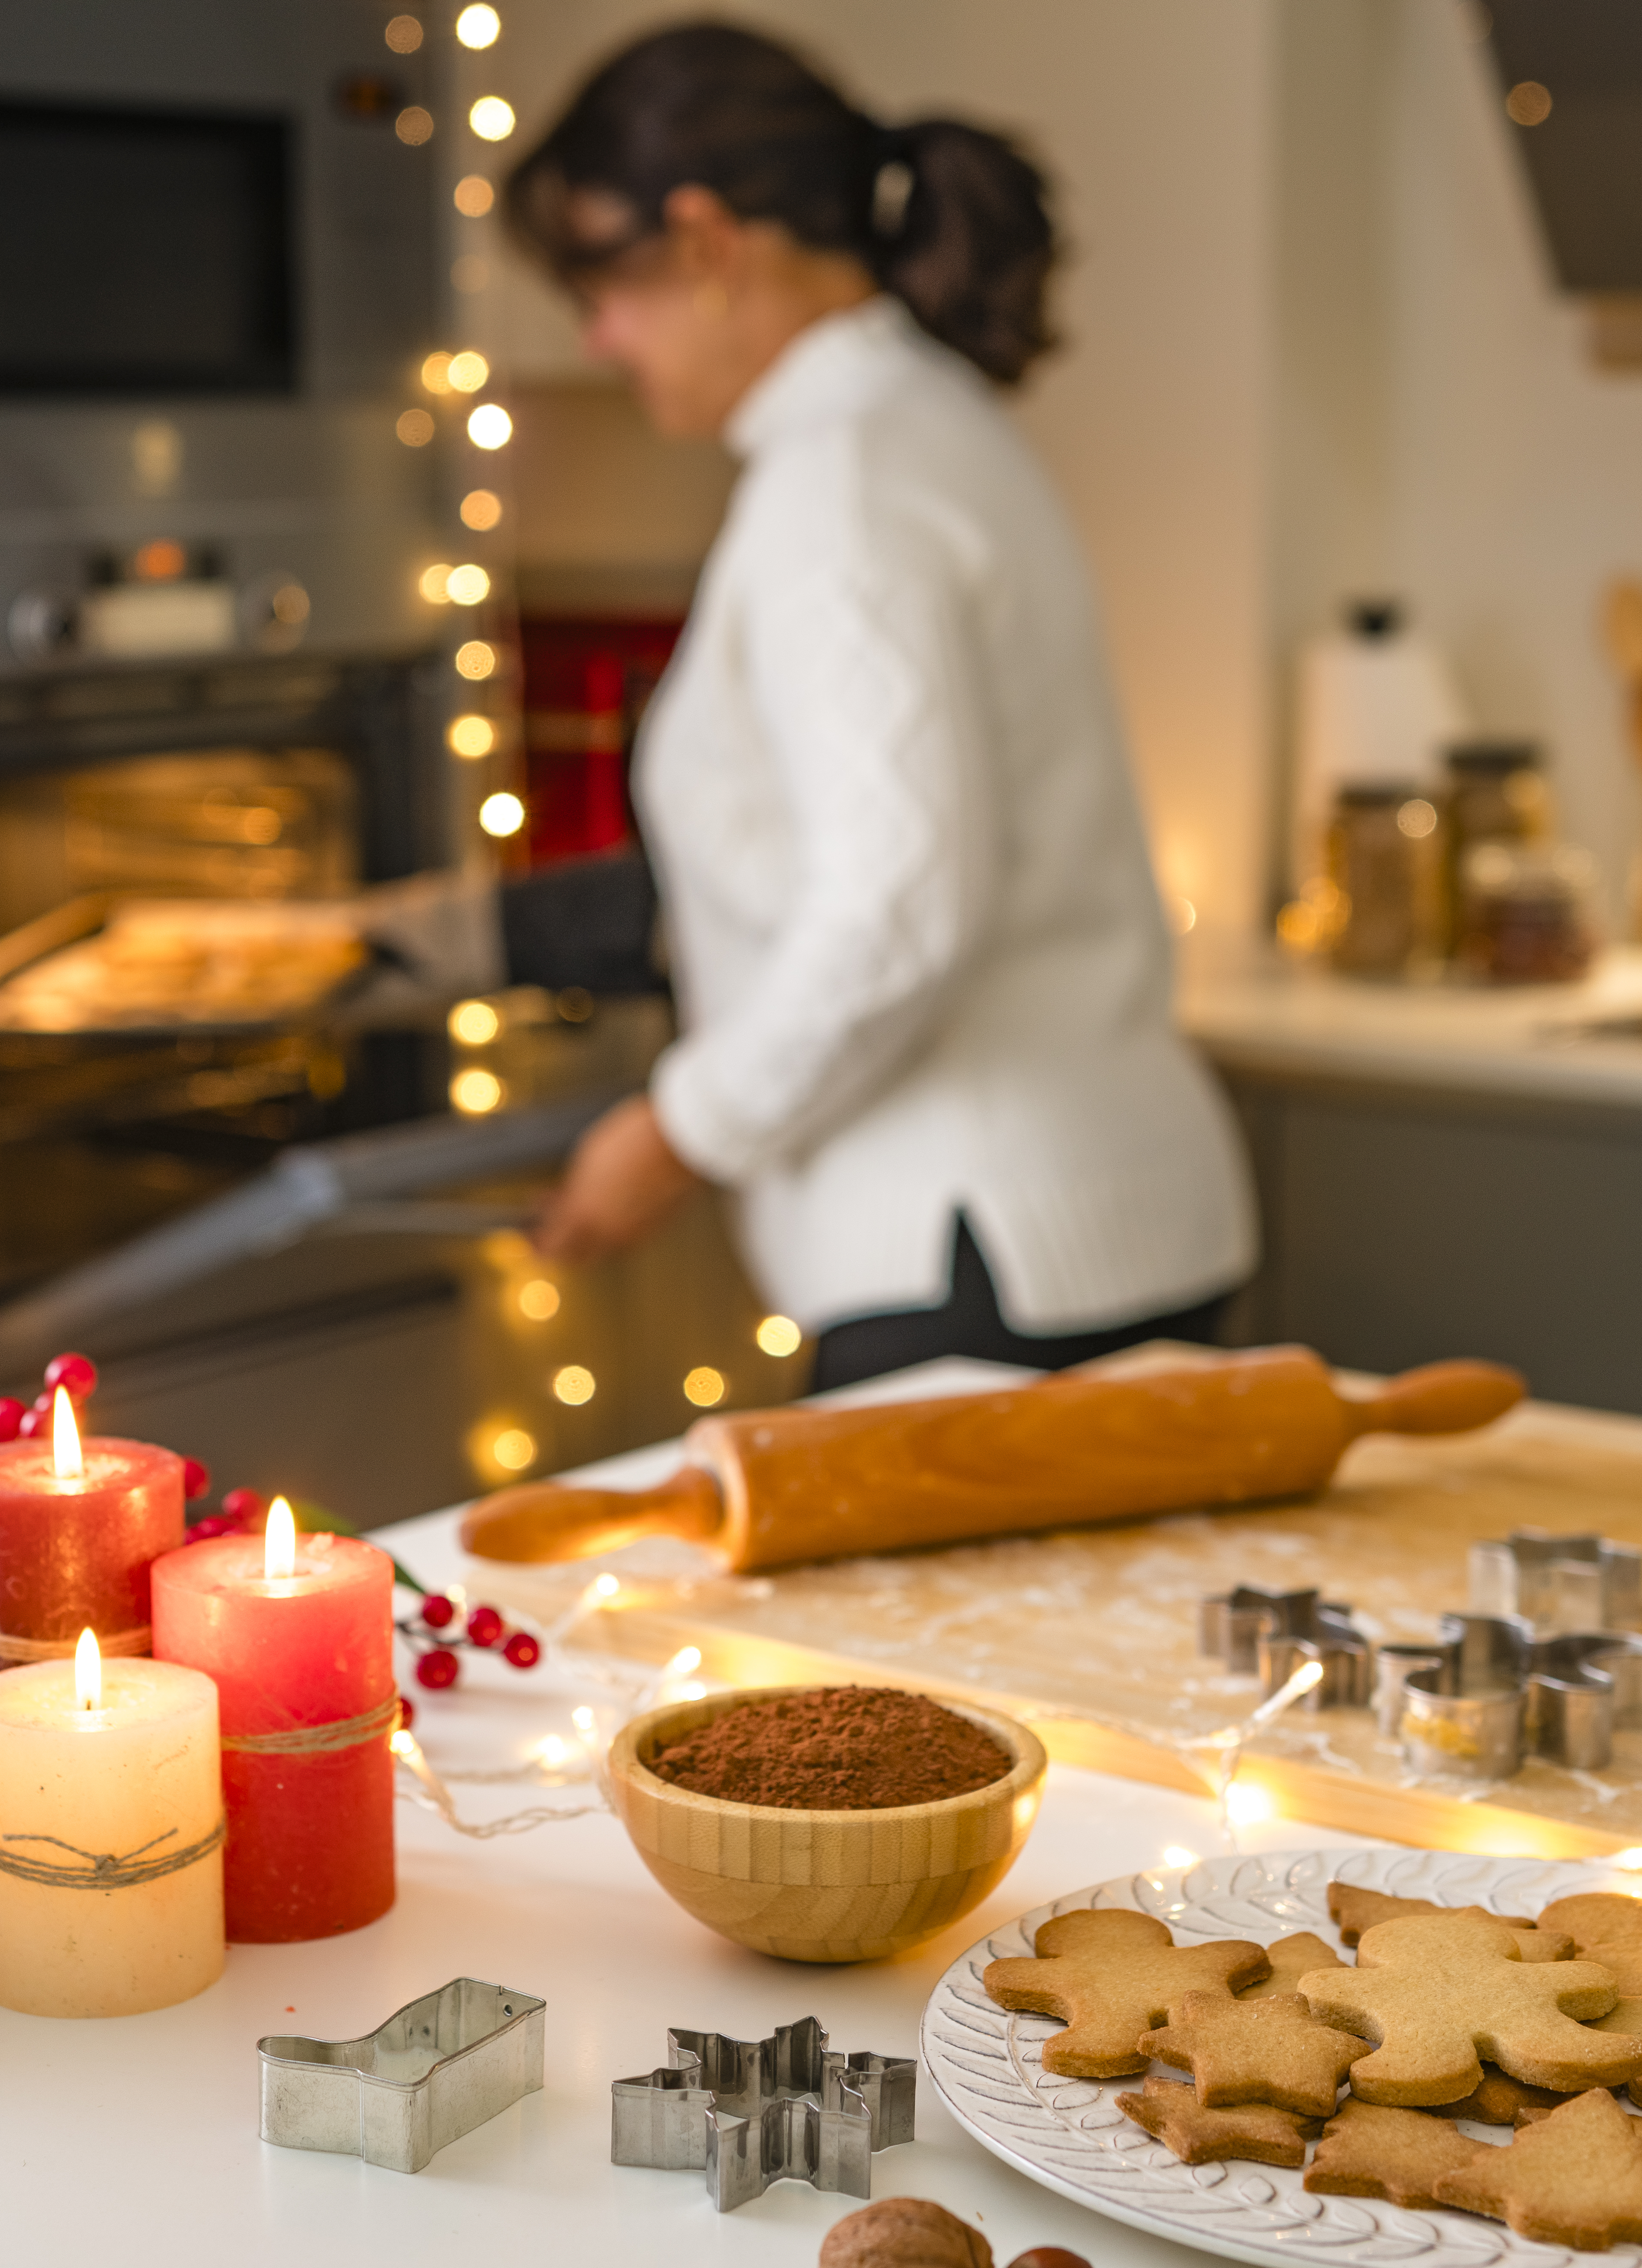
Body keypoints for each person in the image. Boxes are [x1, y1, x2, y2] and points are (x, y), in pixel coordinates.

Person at [502, 23, 1253, 1391]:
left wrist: (680, 1129)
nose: (596, 335)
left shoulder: (839, 491)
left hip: (979, 1252)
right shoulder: (927, 426)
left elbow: (899, 907)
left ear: (706, 239)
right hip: (1097, 1224)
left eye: (598, 284)